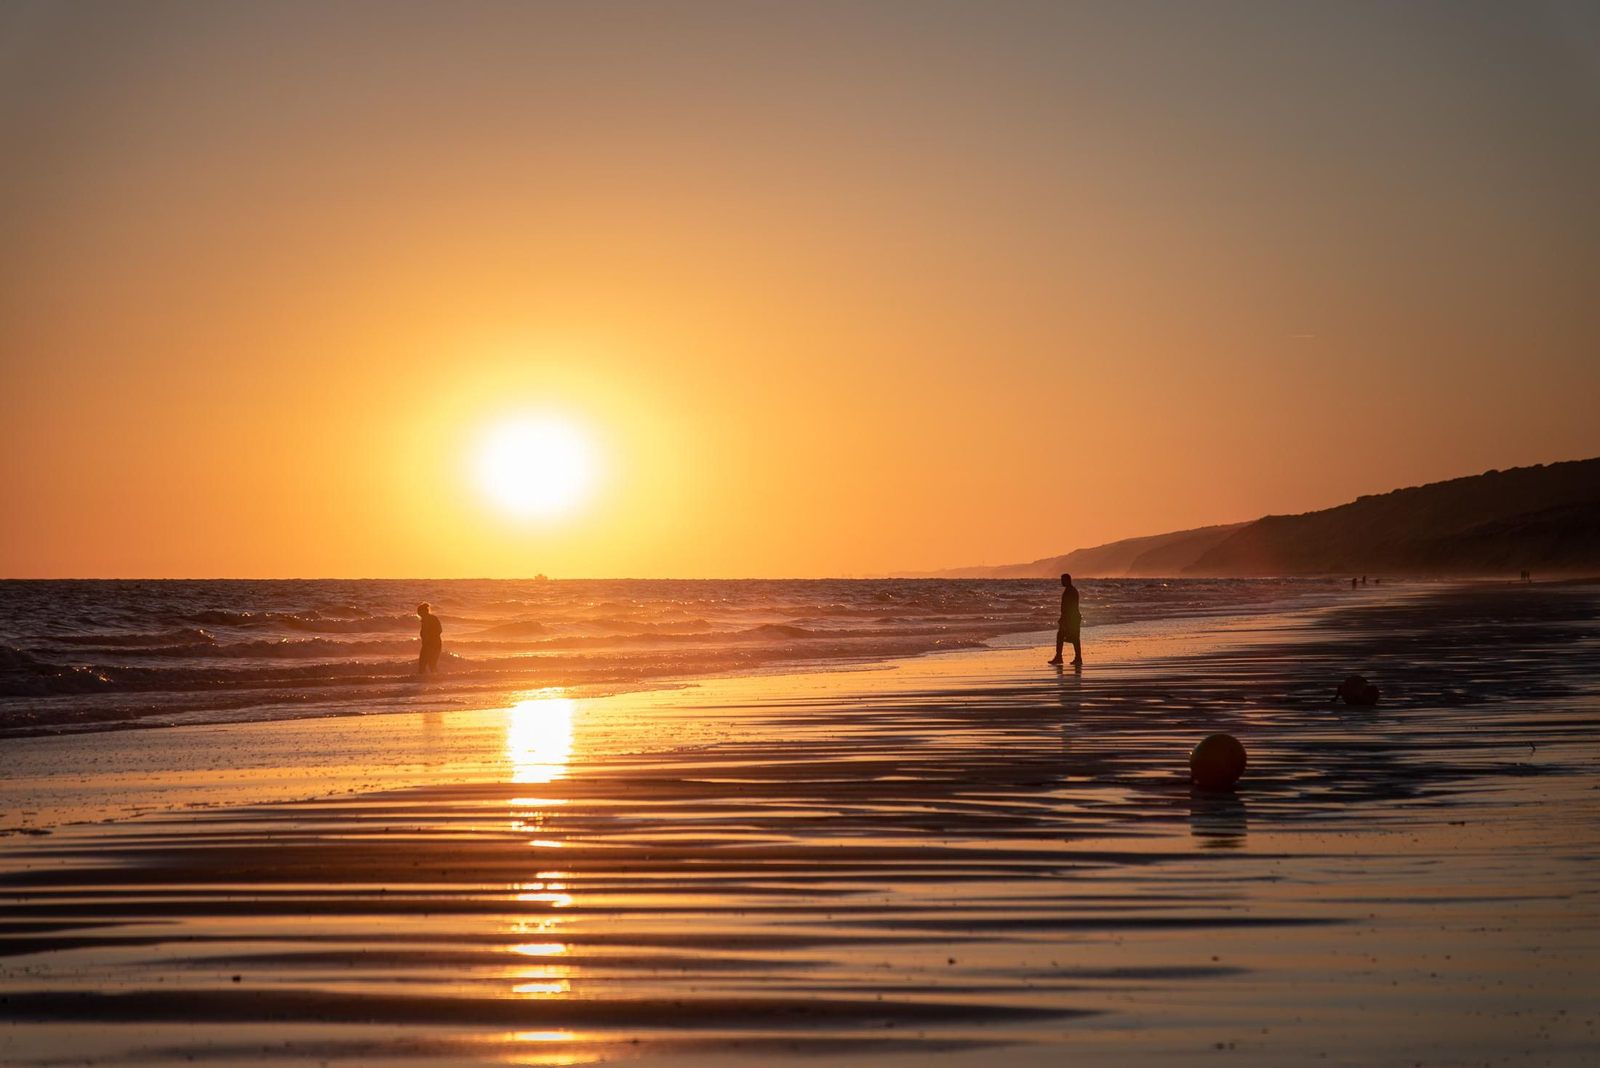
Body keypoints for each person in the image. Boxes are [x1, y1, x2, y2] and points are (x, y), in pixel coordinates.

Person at [1047, 573, 1083, 667]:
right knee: (1073, 638)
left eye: (1063, 580)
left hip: (1071, 618)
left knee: (1064, 636)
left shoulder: (1070, 591)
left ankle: (1062, 657)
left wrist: (1064, 619)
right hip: (1073, 617)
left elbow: (1068, 607)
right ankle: (1076, 658)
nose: (1061, 582)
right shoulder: (1071, 590)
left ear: (1068, 580)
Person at [417, 601, 443, 674]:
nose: (418, 614)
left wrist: (426, 644)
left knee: (422, 665)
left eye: (419, 612)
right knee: (433, 665)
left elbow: (426, 633)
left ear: (422, 612)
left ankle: (421, 682)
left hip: (429, 645)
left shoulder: (425, 619)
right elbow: (440, 630)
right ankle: (436, 681)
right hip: (437, 644)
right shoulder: (434, 618)